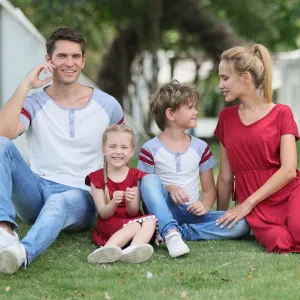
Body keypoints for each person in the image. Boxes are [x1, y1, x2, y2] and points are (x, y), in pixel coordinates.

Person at [0, 27, 124, 274]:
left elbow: (120, 154)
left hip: (82, 194)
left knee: (59, 201)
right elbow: (5, 133)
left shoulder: (107, 105)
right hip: (36, 191)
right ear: (49, 61)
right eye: (62, 56)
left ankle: (22, 253)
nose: (70, 63)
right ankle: (4, 232)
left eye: (75, 56)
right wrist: (26, 84)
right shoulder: (35, 102)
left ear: (83, 60)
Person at [138, 80, 250, 259]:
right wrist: (170, 188)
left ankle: (180, 233)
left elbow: (208, 189)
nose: (196, 112)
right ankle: (170, 231)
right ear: (171, 114)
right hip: (163, 210)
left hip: (191, 212)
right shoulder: (150, 149)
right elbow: (145, 189)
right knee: (148, 179)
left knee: (242, 223)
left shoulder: (200, 147)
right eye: (190, 107)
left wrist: (204, 205)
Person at [214, 44, 300, 253]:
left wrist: (247, 204)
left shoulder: (281, 113)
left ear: (246, 77)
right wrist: (218, 218)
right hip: (257, 205)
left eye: (225, 78)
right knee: (281, 243)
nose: (219, 85)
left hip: (288, 193)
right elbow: (225, 177)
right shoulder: (226, 118)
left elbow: (289, 170)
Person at [85, 125, 157, 264]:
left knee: (151, 220)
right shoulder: (97, 178)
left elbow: (133, 212)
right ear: (103, 150)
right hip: (111, 224)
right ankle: (107, 249)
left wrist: (130, 201)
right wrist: (113, 202)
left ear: (131, 151)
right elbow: (103, 213)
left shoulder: (135, 176)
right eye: (112, 146)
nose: (118, 151)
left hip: (131, 221)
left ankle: (133, 250)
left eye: (124, 147)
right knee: (135, 226)